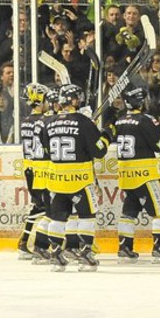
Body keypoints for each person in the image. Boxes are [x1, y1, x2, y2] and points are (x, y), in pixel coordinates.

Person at [39, 83, 109, 271]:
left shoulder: (48, 122)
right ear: (75, 100)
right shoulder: (83, 122)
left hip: (56, 180)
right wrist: (106, 136)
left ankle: (55, 255)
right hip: (80, 180)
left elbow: (45, 148)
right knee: (86, 216)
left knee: (58, 218)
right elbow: (99, 151)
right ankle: (85, 254)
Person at [105, 85, 160, 263]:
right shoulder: (144, 120)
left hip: (126, 175)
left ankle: (124, 247)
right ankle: (159, 247)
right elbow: (158, 146)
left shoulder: (119, 120)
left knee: (129, 212)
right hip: (145, 174)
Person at [17, 83, 51, 262]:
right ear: (40, 101)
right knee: (47, 207)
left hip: (30, 168)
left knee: (38, 206)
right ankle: (31, 244)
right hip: (40, 170)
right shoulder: (43, 121)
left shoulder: (26, 120)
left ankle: (24, 243)